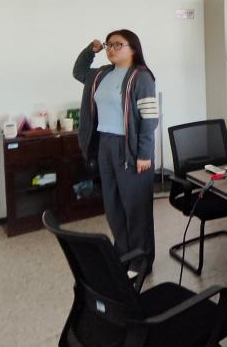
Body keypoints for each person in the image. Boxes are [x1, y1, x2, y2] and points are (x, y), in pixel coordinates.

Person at [72, 30, 158, 275]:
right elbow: (78, 71)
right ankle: (124, 254)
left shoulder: (141, 77)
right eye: (109, 44)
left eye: (118, 44)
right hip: (105, 144)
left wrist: (145, 154)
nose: (111, 49)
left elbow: (149, 119)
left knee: (135, 207)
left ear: (133, 48)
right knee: (113, 205)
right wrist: (90, 50)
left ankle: (141, 261)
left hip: (129, 147)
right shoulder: (101, 74)